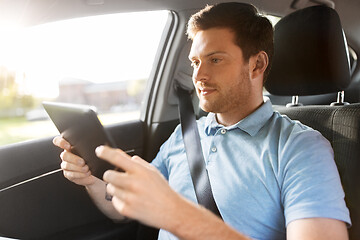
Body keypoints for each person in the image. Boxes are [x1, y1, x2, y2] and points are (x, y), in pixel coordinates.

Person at [53, 2, 351, 240]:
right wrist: (91, 180)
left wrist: (177, 214)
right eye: (195, 62)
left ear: (257, 64)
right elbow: (124, 210)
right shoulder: (186, 134)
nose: (198, 76)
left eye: (215, 59)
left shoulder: (301, 148)